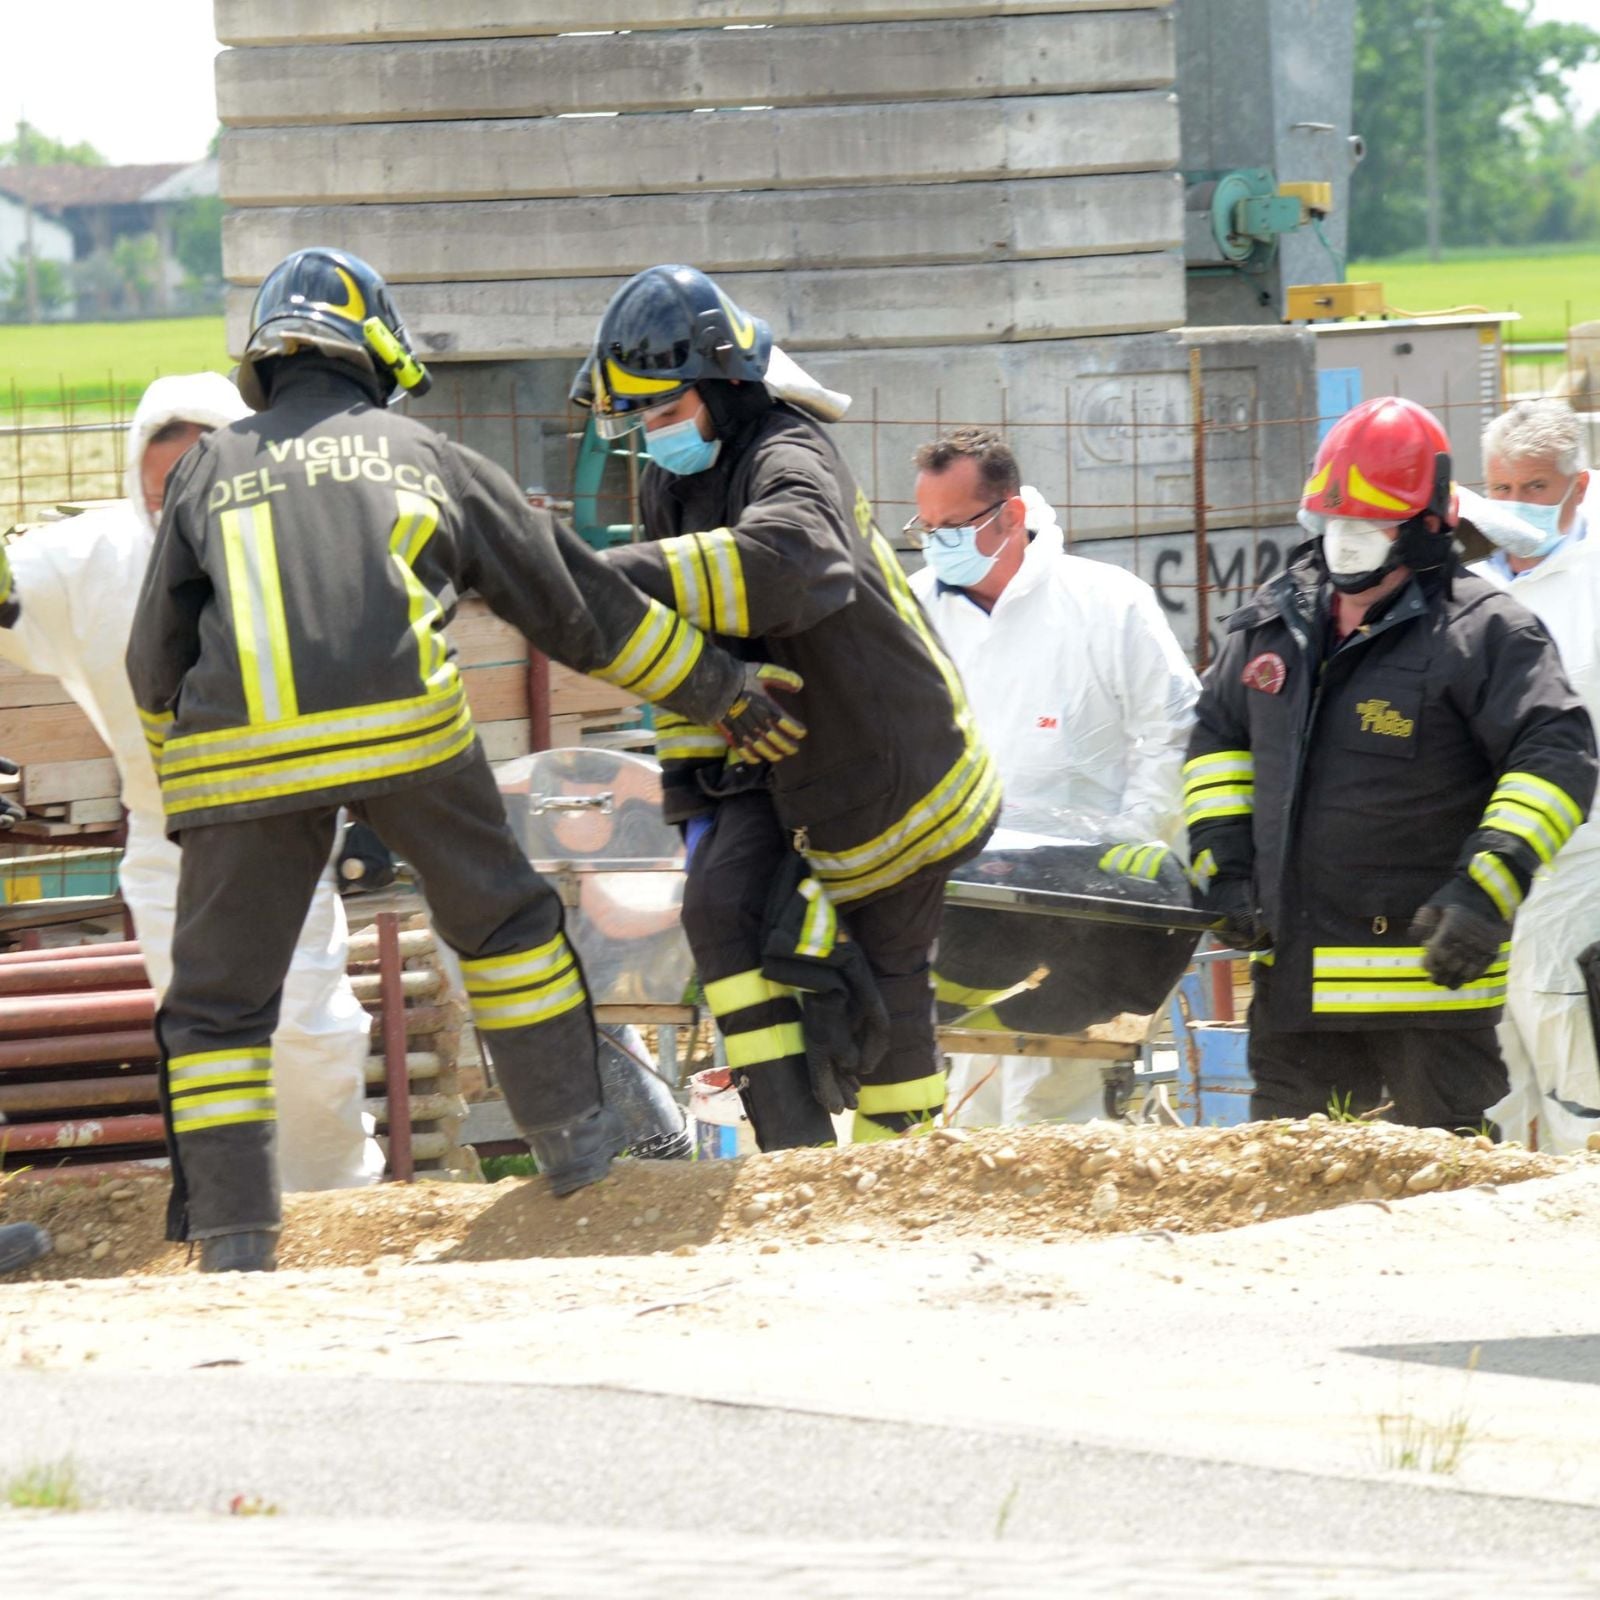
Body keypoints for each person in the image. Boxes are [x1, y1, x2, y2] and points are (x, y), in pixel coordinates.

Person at [126, 248, 804, 1272]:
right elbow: (579, 611)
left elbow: (152, 660)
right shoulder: (420, 454)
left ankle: (232, 1240)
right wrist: (725, 692)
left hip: (240, 762)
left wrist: (194, 790)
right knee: (506, 930)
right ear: (375, 350)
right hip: (409, 736)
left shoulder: (209, 469)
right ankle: (579, 1156)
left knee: (220, 1002)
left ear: (265, 359)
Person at [572, 264, 1001, 1148]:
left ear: (725, 387)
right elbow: (690, 644)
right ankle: (795, 1160)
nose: (652, 433)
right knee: (717, 908)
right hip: (786, 763)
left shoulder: (789, 452)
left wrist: (597, 575)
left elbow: (791, 565)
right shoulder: (670, 482)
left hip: (896, 767)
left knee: (887, 983)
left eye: (664, 409)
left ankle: (900, 1181)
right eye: (639, 417)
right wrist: (694, 801)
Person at [0, 374, 383, 1195]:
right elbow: (12, 588)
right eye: (156, 491)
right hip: (168, 839)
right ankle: (227, 1219)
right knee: (208, 1048)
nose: (173, 509)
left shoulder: (304, 549)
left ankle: (337, 1209)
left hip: (284, 826)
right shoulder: (92, 560)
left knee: (310, 1035)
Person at [1187, 396, 1596, 1132]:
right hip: (1293, 1005)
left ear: (1427, 527)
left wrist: (1486, 885)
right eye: (1336, 522)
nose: (1348, 543)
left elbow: (1556, 756)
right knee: (1288, 1216)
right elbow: (1219, 736)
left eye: (1370, 525)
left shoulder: (1484, 633)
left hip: (1427, 1004)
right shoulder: (1272, 626)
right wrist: (1224, 859)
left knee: (1440, 1212)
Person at [907, 428, 1198, 1125]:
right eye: (927, 527)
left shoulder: (1104, 603)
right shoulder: (915, 610)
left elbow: (1173, 728)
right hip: (967, 902)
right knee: (970, 1101)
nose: (938, 541)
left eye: (956, 524)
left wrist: (1126, 853)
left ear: (1010, 516)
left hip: (1086, 912)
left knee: (1051, 1104)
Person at [1474, 399, 1600, 1150]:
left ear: (1576, 489)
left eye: (1535, 489)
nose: (1515, 507)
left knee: (1566, 1031)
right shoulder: (1467, 587)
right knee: (1494, 1063)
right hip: (1482, 861)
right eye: (1503, 488)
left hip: (1582, 859)